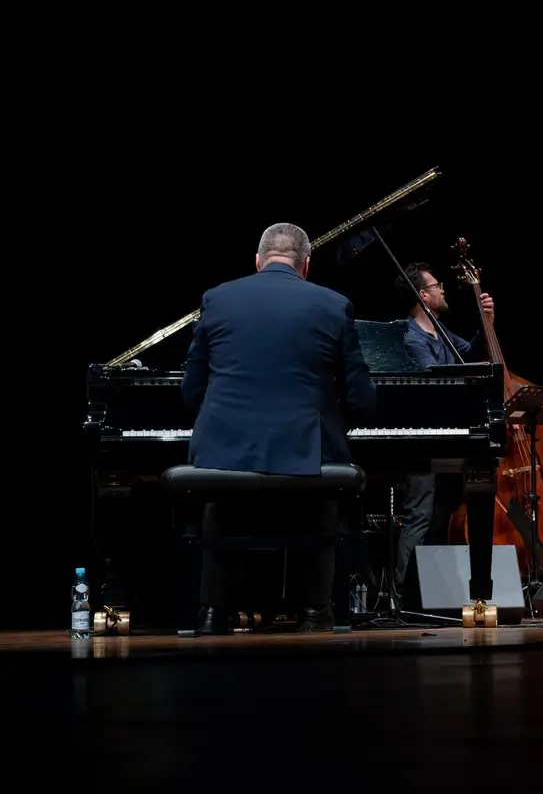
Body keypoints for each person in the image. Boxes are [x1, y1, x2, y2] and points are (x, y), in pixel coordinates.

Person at [182, 223, 378, 634]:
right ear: (306, 264)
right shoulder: (333, 304)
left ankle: (214, 612)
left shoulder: (217, 299)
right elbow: (362, 398)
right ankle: (314, 611)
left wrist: (229, 427)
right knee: (321, 493)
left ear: (258, 261)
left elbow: (191, 389)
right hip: (301, 448)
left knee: (222, 495)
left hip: (225, 445)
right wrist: (327, 424)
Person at [392, 262, 495, 598]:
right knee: (420, 516)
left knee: (440, 517)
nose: (443, 289)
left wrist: (486, 323)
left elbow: (472, 355)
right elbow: (435, 382)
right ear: (423, 295)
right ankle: (402, 594)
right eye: (437, 285)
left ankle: (433, 594)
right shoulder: (412, 338)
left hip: (448, 438)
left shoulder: (442, 332)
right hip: (423, 439)